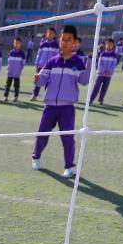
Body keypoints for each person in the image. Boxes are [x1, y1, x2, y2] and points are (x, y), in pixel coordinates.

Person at [30, 25, 88, 178]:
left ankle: (69, 167)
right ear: (59, 40)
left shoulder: (78, 62)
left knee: (67, 138)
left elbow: (84, 81)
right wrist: (37, 79)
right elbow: (42, 79)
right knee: (42, 133)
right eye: (63, 39)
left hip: (67, 108)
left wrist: (89, 64)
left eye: (69, 40)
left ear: (74, 42)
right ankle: (36, 157)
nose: (65, 43)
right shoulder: (52, 61)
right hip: (49, 106)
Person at [31, 27, 58, 100]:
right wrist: (37, 64)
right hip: (41, 66)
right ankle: (34, 95)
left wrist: (55, 66)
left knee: (49, 82)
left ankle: (47, 96)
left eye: (52, 33)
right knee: (38, 80)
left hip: (51, 67)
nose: (50, 34)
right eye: (49, 33)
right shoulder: (43, 44)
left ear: (54, 35)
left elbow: (57, 56)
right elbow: (39, 54)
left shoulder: (56, 45)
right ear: (46, 34)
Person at [89, 38, 117, 104]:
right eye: (108, 44)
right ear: (106, 45)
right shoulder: (102, 54)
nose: (109, 46)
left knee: (105, 87)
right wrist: (103, 71)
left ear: (113, 45)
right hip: (101, 74)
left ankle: (101, 99)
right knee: (97, 86)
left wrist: (109, 72)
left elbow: (113, 64)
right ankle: (91, 99)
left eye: (111, 44)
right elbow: (100, 64)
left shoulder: (114, 55)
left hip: (108, 75)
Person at [3, 37, 25, 101]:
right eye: (15, 43)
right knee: (7, 85)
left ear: (20, 44)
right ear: (13, 43)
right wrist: (8, 69)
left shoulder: (22, 54)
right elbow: (9, 62)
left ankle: (16, 96)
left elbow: (23, 64)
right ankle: (6, 96)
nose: (16, 44)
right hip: (10, 72)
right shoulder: (11, 52)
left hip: (17, 73)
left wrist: (19, 70)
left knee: (16, 85)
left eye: (18, 43)